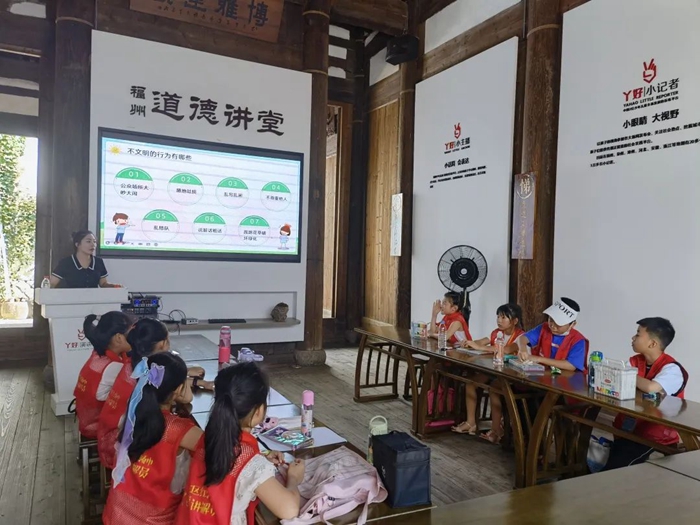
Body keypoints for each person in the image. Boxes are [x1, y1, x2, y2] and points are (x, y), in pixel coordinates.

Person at [176, 362, 305, 524]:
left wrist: (260, 459)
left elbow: (232, 463)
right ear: (259, 411)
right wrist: (294, 478)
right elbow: (289, 509)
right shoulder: (250, 462)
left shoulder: (207, 439)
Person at [98, 318, 213, 468]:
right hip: (120, 446)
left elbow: (167, 384)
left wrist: (195, 381)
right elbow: (186, 397)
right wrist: (186, 375)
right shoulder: (173, 424)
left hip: (116, 439)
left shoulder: (135, 368)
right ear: (163, 344)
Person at [102, 353, 203, 524]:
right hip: (153, 520)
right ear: (179, 389)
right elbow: (221, 447)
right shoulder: (178, 429)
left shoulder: (132, 414)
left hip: (115, 514)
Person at [604, 318, 688, 470]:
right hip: (629, 425)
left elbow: (651, 387)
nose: (633, 338)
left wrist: (626, 375)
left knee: (619, 465)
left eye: (638, 334)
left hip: (654, 432)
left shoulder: (672, 369)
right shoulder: (634, 361)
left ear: (652, 344)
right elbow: (615, 380)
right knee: (617, 454)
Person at [452, 304, 525, 438]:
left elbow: (507, 349)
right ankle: (470, 422)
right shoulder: (496, 332)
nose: (499, 320)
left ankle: (496, 430)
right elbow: (483, 341)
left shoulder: (521, 336)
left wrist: (479, 347)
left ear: (515, 321)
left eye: (503, 318)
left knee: (494, 388)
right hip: (495, 370)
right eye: (498, 317)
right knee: (470, 383)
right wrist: (469, 343)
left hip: (512, 375)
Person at [73, 312, 132, 439]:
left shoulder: (99, 354)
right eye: (131, 334)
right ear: (119, 338)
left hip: (85, 417)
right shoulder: (114, 366)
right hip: (97, 424)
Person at [510, 297, 589, 372]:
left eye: (559, 323)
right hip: (542, 375)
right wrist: (522, 349)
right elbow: (523, 338)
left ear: (572, 324)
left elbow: (571, 365)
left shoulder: (578, 340)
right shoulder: (544, 328)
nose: (553, 326)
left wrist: (539, 359)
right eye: (551, 320)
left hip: (565, 379)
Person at [50, 230, 120, 288]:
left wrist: (114, 286)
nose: (93, 245)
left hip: (93, 299)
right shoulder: (66, 263)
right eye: (88, 241)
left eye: (94, 242)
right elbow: (52, 283)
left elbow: (103, 283)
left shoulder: (98, 262)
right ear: (77, 244)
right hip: (71, 299)